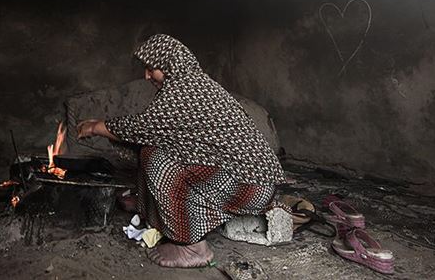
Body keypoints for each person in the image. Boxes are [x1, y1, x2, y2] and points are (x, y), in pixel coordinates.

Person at [77, 34, 287, 268]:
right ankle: (149, 208)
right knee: (153, 149)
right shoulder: (191, 82)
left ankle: (192, 248)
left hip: (250, 186)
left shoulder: (184, 90)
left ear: (169, 65)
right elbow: (155, 131)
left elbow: (142, 128)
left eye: (151, 69)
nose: (147, 76)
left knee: (159, 161)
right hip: (250, 180)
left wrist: (96, 127)